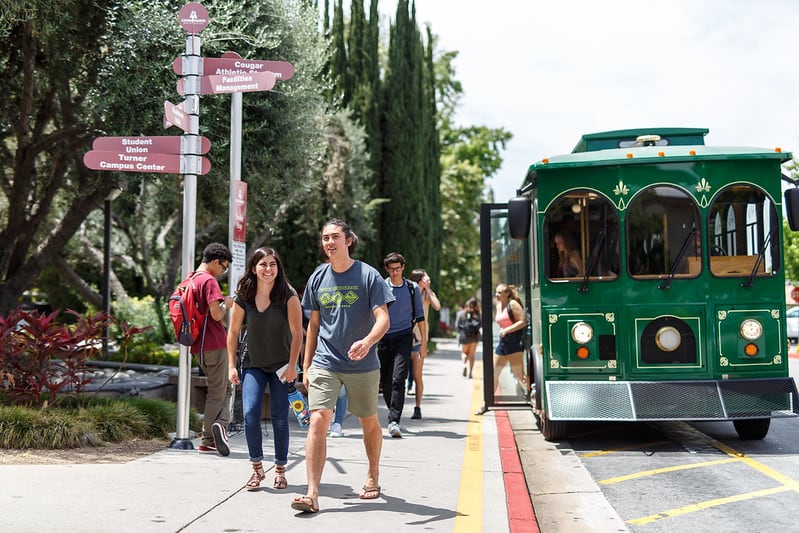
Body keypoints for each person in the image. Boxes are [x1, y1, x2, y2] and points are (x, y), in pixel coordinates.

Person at [291, 219, 394, 514]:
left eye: (335, 236)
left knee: (368, 421)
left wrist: (368, 341)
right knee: (318, 419)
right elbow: (313, 324)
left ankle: (373, 473)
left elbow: (383, 319)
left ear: (348, 240)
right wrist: (306, 364)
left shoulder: (368, 275)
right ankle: (312, 493)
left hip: (363, 363)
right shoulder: (318, 276)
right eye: (325, 237)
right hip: (325, 361)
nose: (329, 242)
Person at [226, 247, 303, 491]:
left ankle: (280, 470)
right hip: (253, 364)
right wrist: (231, 365)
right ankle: (257, 468)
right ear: (253, 268)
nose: (268, 269)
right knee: (250, 413)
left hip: (282, 367)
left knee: (279, 418)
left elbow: (298, 333)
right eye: (263, 264)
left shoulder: (288, 294)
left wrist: (293, 367)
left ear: (278, 268)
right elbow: (233, 332)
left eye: (272, 264)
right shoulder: (245, 295)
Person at [191, 243, 235, 456]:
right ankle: (212, 432)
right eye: (224, 267)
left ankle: (212, 436)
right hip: (214, 343)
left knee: (222, 387)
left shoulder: (191, 279)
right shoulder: (209, 281)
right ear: (216, 262)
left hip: (197, 345)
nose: (223, 272)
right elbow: (217, 314)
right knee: (220, 390)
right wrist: (227, 304)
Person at [377, 252, 426, 437]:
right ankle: (393, 412)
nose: (395, 272)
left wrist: (424, 343)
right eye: (391, 269)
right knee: (386, 381)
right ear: (387, 269)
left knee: (399, 379)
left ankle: (394, 421)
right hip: (384, 338)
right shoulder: (381, 286)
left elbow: (420, 318)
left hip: (404, 337)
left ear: (403, 267)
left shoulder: (412, 288)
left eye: (398, 269)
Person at [406, 268, 440, 419]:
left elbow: (437, 306)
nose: (429, 280)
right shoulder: (408, 293)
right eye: (426, 278)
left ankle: (417, 407)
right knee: (398, 376)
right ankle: (396, 408)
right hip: (405, 338)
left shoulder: (427, 295)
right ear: (418, 280)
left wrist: (428, 289)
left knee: (417, 375)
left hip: (420, 340)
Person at [492, 284, 528, 393]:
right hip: (503, 342)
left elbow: (523, 321)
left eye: (500, 292)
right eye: (496, 292)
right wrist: (503, 330)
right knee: (493, 373)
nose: (496, 294)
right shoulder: (498, 306)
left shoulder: (512, 304)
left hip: (514, 341)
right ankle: (489, 399)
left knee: (520, 375)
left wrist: (506, 330)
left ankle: (535, 397)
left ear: (507, 294)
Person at [456, 297, 481, 379]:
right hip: (474, 337)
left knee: (464, 353)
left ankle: (464, 365)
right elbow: (480, 325)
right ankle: (470, 373)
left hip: (465, 336)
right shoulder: (477, 314)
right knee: (472, 355)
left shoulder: (462, 314)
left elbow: (458, 326)